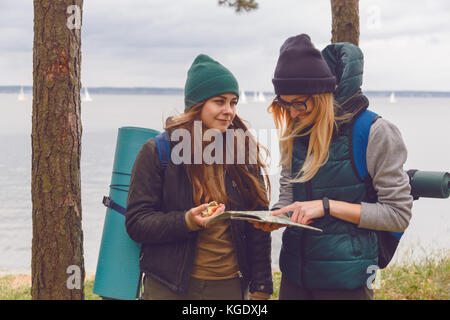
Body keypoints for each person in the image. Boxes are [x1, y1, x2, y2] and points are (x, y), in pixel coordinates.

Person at [263, 34, 413, 299]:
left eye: (299, 103)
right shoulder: (296, 130)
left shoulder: (375, 132)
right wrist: (277, 216)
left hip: (348, 282)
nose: (293, 113)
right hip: (295, 277)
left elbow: (397, 214)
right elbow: (288, 195)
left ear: (321, 95)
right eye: (285, 104)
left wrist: (326, 206)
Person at [125, 54, 273, 300]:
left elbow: (258, 225)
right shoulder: (159, 151)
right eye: (219, 101)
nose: (229, 111)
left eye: (233, 102)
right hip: (168, 288)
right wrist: (186, 221)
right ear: (197, 104)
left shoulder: (243, 152)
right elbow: (137, 222)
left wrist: (262, 284)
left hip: (229, 287)